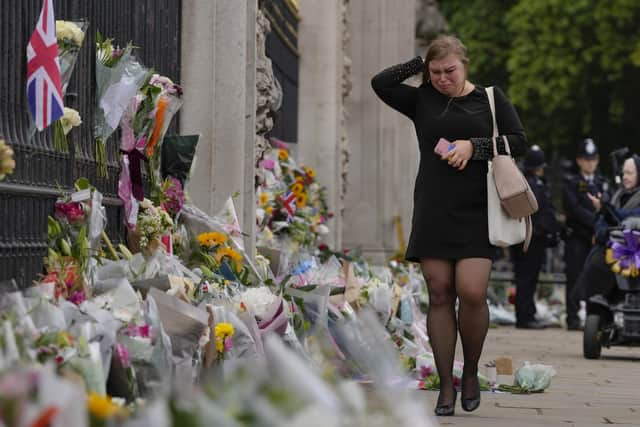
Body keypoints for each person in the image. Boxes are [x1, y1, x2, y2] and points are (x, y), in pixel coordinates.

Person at [371, 35, 527, 416]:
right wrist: (417, 63)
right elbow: (380, 84)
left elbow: (520, 141)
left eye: (450, 71)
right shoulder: (421, 98)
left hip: (477, 210)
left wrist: (475, 147)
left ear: (465, 65)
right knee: (440, 294)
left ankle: (470, 371)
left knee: (471, 292)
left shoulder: (489, 98)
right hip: (434, 209)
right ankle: (445, 385)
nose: (442, 78)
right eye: (436, 71)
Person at [562, 138, 609, 330]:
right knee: (574, 275)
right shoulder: (572, 183)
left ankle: (593, 316)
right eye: (586, 159)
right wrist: (595, 223)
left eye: (593, 159)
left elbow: (609, 207)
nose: (590, 163)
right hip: (578, 237)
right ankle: (572, 318)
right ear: (579, 161)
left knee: (595, 276)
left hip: (596, 239)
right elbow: (573, 209)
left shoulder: (602, 183)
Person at [579, 155, 640, 300]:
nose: (625, 177)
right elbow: (602, 222)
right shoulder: (617, 195)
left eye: (629, 173)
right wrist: (604, 230)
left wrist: (606, 209)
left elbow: (627, 215)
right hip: (613, 248)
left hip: (634, 252)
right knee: (595, 262)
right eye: (623, 173)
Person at [512, 146, 560, 329]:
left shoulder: (534, 182)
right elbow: (538, 211)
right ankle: (524, 316)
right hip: (531, 237)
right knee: (526, 278)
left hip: (534, 238)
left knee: (529, 278)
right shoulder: (530, 183)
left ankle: (528, 313)